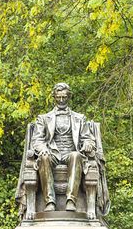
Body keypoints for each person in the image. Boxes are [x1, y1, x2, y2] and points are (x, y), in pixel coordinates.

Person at [31, 83, 95, 212]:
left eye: (64, 97)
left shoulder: (79, 118)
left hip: (70, 153)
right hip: (52, 153)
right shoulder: (43, 118)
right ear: (54, 97)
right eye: (58, 97)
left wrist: (88, 143)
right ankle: (49, 202)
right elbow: (37, 140)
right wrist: (43, 148)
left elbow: (87, 138)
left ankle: (71, 200)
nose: (61, 100)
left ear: (69, 97)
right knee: (44, 157)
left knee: (76, 155)